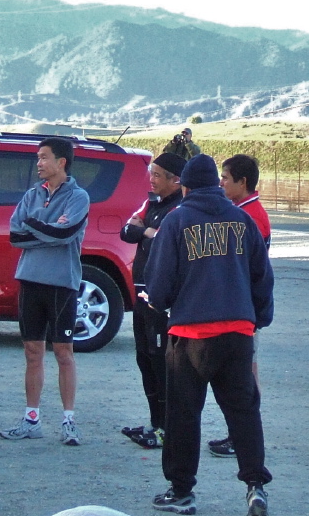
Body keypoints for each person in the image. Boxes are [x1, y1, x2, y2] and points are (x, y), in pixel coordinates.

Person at [144, 154, 274, 516]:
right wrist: (259, 317)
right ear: (216, 185)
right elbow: (262, 277)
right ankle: (255, 485)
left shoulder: (177, 221)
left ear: (185, 185)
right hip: (237, 331)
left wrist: (159, 304)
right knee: (243, 412)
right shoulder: (242, 220)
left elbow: (159, 284)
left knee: (184, 415)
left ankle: (182, 491)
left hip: (191, 334)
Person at [0, 137, 92, 446]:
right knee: (32, 352)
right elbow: (15, 235)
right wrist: (48, 228)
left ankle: (68, 421)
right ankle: (31, 419)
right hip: (30, 280)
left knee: (63, 352)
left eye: (43, 157)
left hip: (62, 284)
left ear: (61, 162)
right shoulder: (31, 195)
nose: (38, 163)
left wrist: (35, 225)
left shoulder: (79, 197)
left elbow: (65, 233)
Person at [118, 152, 186, 450]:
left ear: (176, 180)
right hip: (140, 293)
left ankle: (167, 428)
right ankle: (154, 422)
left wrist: (144, 230)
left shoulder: (179, 208)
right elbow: (126, 231)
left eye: (158, 175)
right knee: (144, 358)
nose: (152, 179)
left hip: (160, 298)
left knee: (161, 362)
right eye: (152, 173)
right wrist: (145, 230)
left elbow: (164, 239)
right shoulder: (152, 203)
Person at [206, 153, 272, 458]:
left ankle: (243, 434)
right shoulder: (242, 211)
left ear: (242, 182)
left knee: (246, 372)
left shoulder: (251, 216)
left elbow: (247, 265)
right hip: (241, 304)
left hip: (243, 306)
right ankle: (239, 433)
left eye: (225, 178)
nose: (220, 183)